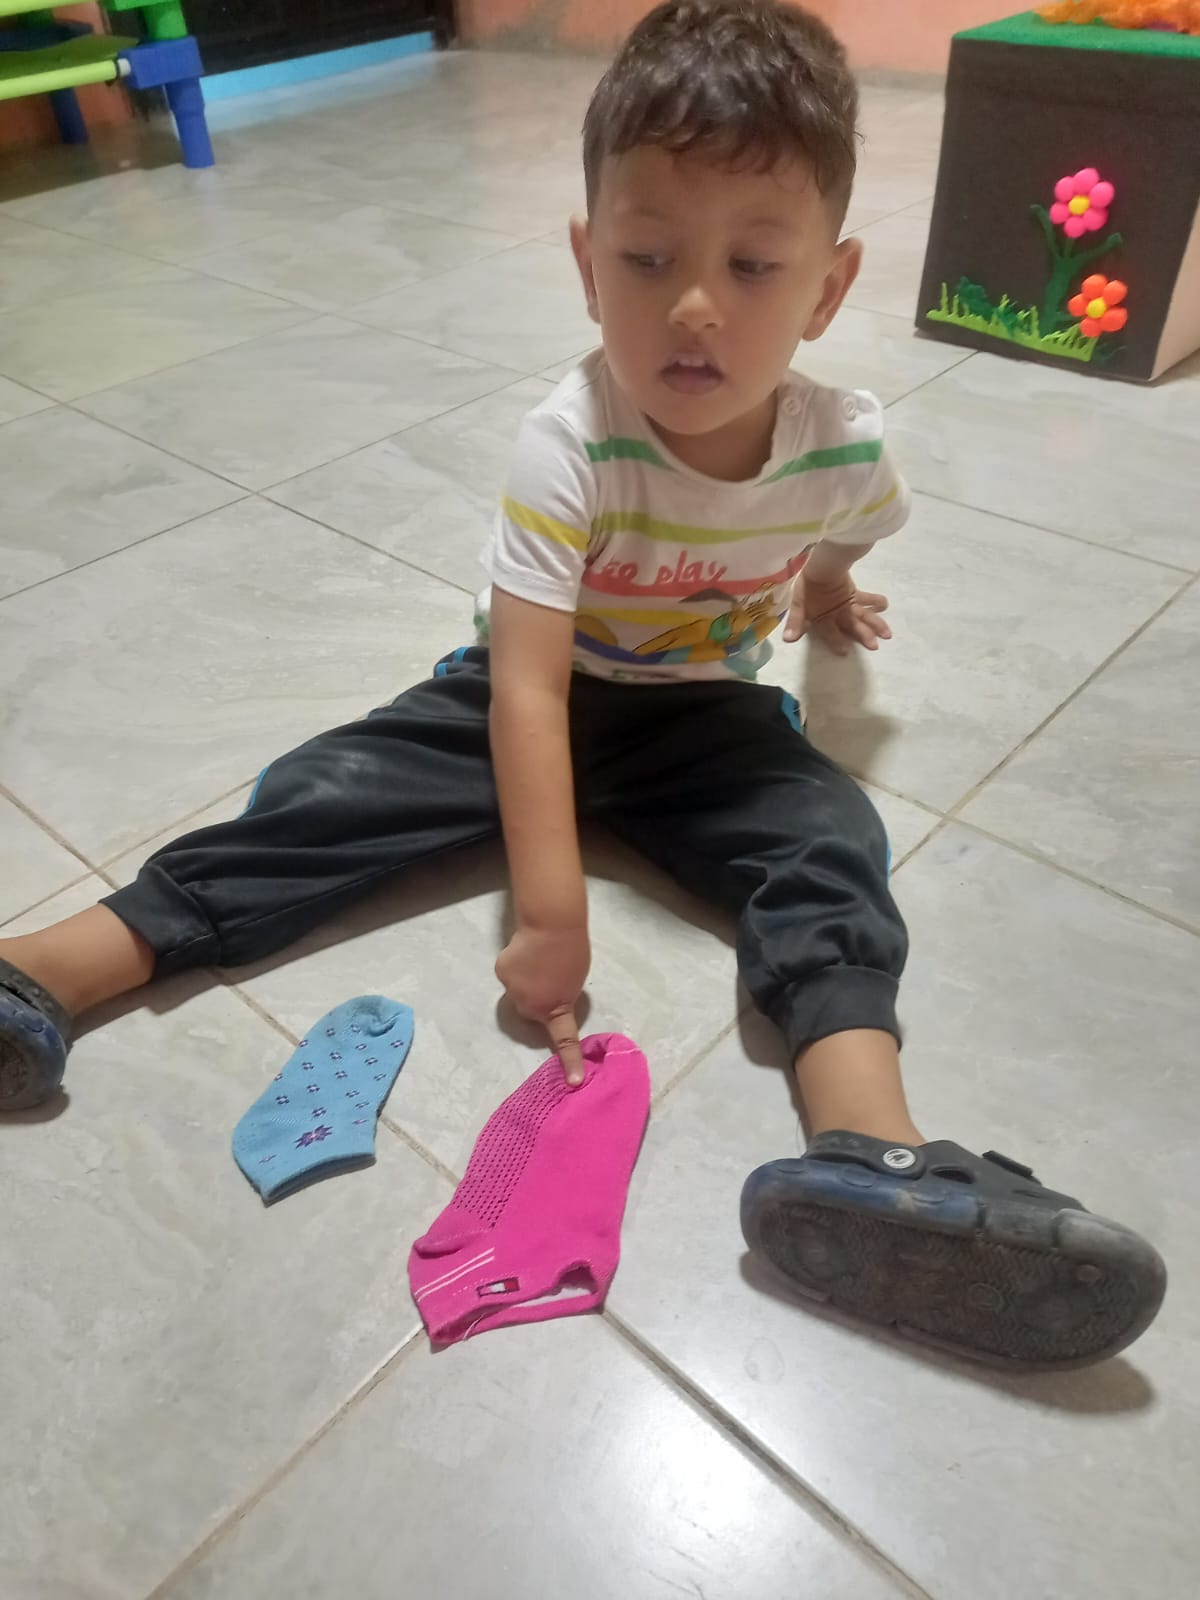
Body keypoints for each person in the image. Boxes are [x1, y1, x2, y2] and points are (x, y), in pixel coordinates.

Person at [0, 0, 1164, 1367]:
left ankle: (875, 1153)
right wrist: (549, 906)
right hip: (526, 682)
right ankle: (50, 970)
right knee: (332, 790)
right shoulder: (568, 440)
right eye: (647, 257)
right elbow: (526, 693)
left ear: (828, 288)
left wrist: (824, 593)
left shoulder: (842, 445)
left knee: (831, 840)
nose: (693, 305)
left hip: (709, 722)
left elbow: (855, 525)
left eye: (752, 264)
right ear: (585, 261)